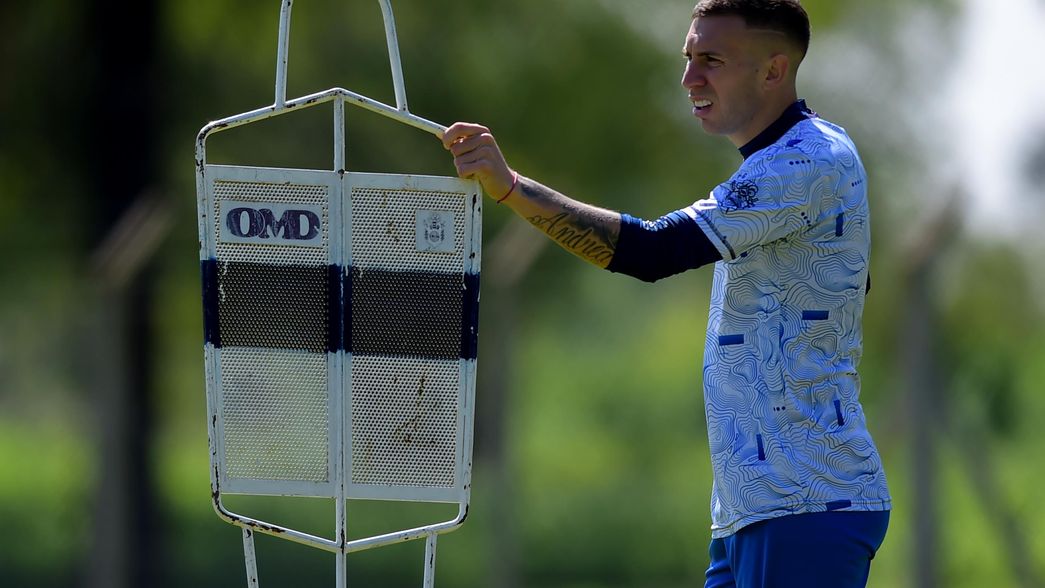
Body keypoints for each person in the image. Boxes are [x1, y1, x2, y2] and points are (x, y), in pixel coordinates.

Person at [441, 1, 891, 586]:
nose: (689, 78)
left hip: (808, 502)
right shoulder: (799, 157)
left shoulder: (806, 162)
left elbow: (650, 252)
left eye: (712, 60)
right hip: (753, 507)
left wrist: (511, 189)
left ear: (774, 71)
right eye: (688, 58)